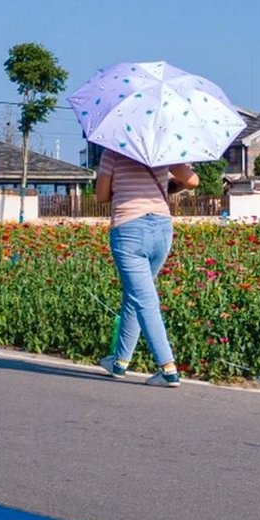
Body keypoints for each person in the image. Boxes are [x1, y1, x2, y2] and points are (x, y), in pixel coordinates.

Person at [94, 147, 199, 386]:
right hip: (161, 228)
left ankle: (167, 368)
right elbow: (193, 181)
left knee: (144, 298)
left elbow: (101, 196)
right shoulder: (162, 147)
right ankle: (120, 361)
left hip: (128, 228)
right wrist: (170, 186)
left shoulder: (114, 151)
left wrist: (123, 188)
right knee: (137, 294)